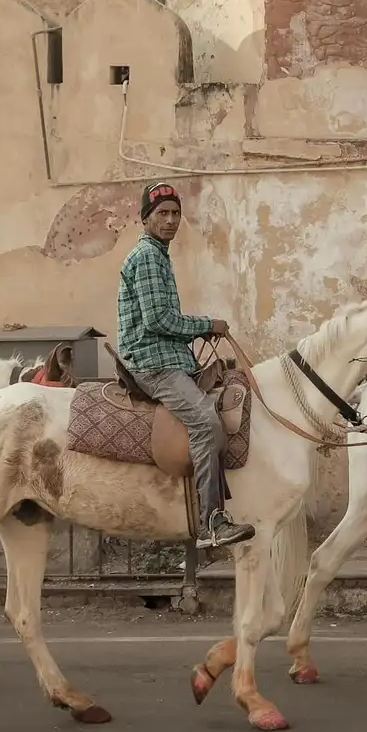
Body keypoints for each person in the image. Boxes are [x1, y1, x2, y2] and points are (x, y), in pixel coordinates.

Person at [116, 181, 253, 549]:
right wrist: (207, 325)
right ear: (146, 218)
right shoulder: (146, 256)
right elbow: (159, 320)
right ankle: (212, 523)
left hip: (169, 358)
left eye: (176, 213)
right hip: (152, 364)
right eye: (162, 213)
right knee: (207, 422)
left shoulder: (158, 254)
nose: (171, 220)